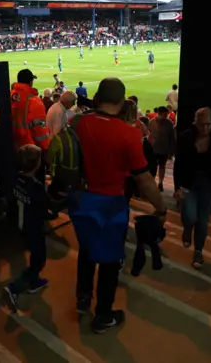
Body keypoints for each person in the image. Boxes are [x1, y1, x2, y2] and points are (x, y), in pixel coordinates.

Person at [70, 78, 167, 334]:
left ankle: (82, 297)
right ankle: (103, 316)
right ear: (122, 102)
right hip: (110, 205)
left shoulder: (77, 122)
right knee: (111, 261)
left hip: (80, 200)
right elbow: (144, 180)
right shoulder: (128, 133)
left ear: (98, 96)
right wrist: (161, 207)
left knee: (87, 250)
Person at [173, 107, 211, 269]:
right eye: (201, 124)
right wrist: (177, 187)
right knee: (190, 215)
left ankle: (198, 251)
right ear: (195, 123)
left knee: (203, 219)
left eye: (208, 125)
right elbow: (179, 164)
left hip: (208, 184)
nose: (205, 128)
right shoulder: (186, 138)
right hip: (189, 182)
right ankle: (187, 228)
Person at [4, 145, 50, 310]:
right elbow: (45, 210)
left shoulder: (16, 180)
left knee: (34, 255)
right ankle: (14, 288)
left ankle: (34, 281)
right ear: (37, 164)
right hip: (34, 228)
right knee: (39, 259)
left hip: (20, 226)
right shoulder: (36, 188)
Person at [149, 106, 176, 191]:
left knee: (162, 166)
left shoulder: (169, 123)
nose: (166, 116)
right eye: (165, 114)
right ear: (159, 113)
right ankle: (152, 183)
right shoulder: (151, 122)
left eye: (167, 114)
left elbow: (172, 137)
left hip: (164, 149)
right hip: (153, 149)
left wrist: (171, 151)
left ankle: (160, 183)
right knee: (152, 167)